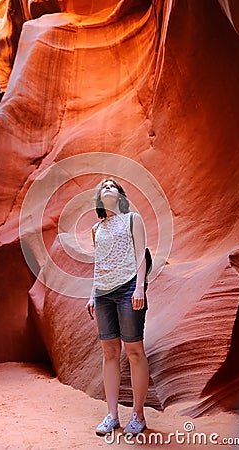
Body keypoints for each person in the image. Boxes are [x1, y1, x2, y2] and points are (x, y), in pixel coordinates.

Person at [86, 178, 149, 436]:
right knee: (110, 352)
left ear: (120, 195)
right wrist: (92, 294)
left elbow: (141, 253)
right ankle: (112, 415)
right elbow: (98, 263)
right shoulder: (96, 229)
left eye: (113, 185)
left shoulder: (133, 219)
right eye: (104, 186)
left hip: (128, 290)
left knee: (134, 350)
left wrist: (140, 287)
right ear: (99, 198)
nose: (108, 187)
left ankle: (138, 414)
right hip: (103, 293)